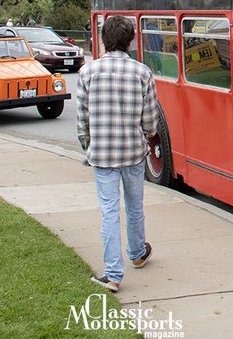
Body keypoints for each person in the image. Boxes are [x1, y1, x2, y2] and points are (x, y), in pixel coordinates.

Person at [76, 15, 158, 293]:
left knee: (109, 212)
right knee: (135, 206)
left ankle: (112, 275)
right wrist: (143, 135)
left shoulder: (88, 72)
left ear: (103, 40)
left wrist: (88, 145)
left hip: (102, 155)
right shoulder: (142, 72)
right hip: (133, 152)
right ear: (130, 40)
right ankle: (137, 253)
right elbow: (150, 123)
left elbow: (82, 120)